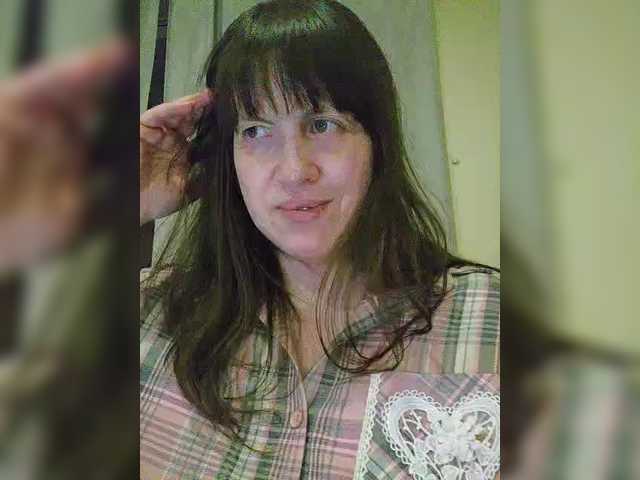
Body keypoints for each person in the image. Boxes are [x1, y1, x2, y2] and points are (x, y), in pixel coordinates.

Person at [140, 1, 500, 479]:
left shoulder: (492, 320)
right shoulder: (150, 314)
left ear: (377, 143)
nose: (295, 171)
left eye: (322, 124)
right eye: (257, 131)